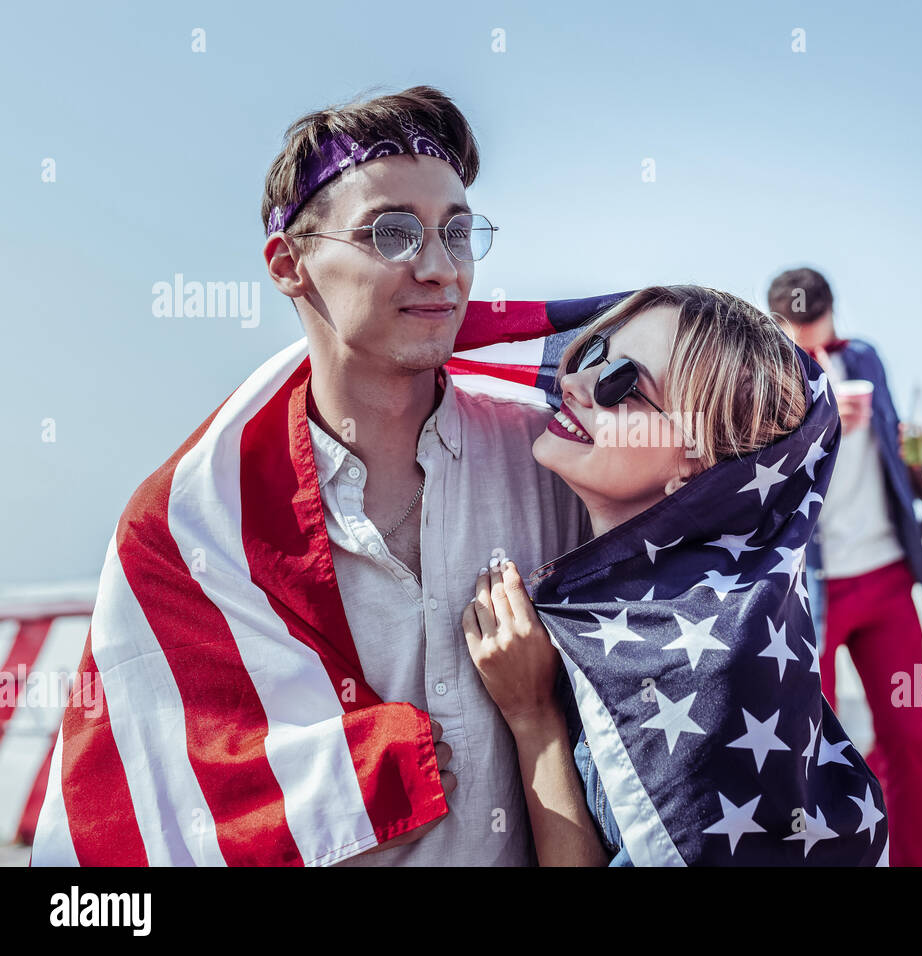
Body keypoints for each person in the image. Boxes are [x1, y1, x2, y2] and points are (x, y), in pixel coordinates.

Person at [32, 86, 601, 866]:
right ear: (288, 264)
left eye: (458, 232)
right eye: (392, 233)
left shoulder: (562, 466)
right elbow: (142, 813)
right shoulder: (188, 528)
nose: (440, 269)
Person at [460, 286, 890, 865]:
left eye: (622, 385)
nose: (575, 384)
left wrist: (533, 717)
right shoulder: (723, 614)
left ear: (696, 465)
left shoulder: (705, 672)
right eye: (591, 355)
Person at [764, 267, 922, 867]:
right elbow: (747, 470)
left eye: (821, 330)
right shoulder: (762, 377)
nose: (816, 346)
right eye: (801, 334)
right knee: (809, 754)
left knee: (912, 741)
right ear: (777, 327)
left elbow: (897, 438)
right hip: (807, 588)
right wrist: (818, 427)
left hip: (887, 575)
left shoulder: (866, 358)